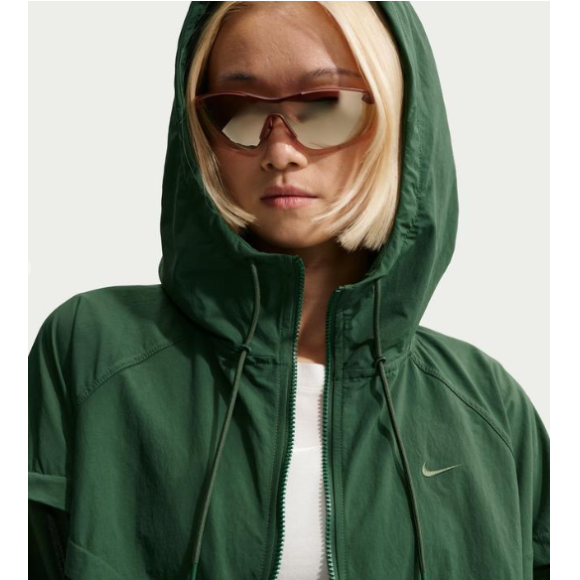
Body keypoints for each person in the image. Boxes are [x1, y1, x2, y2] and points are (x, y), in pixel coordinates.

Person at [28, 2, 550, 579]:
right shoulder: (95, 354)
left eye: (325, 106)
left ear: (398, 118)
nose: (280, 151)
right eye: (237, 109)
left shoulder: (490, 409)